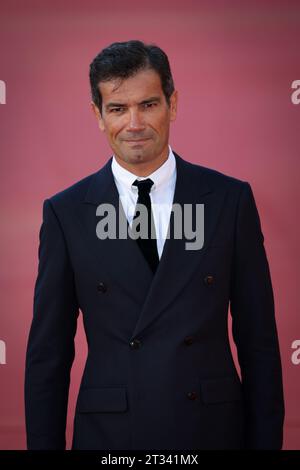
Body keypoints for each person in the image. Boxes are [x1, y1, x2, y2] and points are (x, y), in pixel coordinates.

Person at [24, 40, 284, 450]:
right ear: (97, 115)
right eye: (117, 108)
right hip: (112, 436)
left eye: (148, 105)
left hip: (211, 431)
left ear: (173, 104)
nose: (134, 123)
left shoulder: (229, 200)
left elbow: (259, 343)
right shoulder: (66, 212)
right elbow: (48, 357)